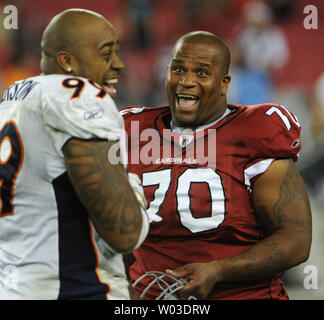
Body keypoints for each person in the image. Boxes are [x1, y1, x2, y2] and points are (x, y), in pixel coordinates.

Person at [121, 31, 312, 300]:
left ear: (224, 84)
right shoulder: (132, 131)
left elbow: (296, 241)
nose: (186, 81)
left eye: (201, 73)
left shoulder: (256, 132)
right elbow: (120, 234)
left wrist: (218, 270)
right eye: (177, 69)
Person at [0, 9, 149, 300]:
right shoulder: (76, 94)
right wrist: (133, 188)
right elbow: (125, 233)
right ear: (67, 61)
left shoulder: (13, 96)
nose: (118, 65)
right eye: (106, 55)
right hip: (76, 288)